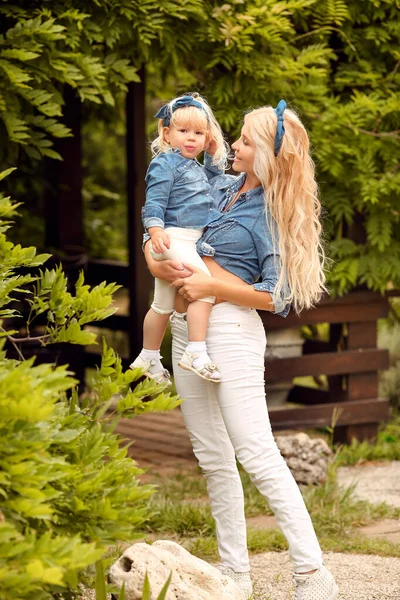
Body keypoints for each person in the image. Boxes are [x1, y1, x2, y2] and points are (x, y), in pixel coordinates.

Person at [143, 99, 339, 600]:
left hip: (228, 333)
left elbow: (278, 297)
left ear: (268, 157)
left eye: (246, 141)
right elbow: (168, 226)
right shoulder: (220, 187)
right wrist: (156, 259)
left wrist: (213, 287)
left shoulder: (270, 213)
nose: (233, 144)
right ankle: (236, 574)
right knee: (212, 457)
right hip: (188, 332)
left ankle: (313, 573)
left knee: (256, 452)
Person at [131, 94, 228, 385]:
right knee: (204, 288)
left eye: (198, 133)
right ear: (166, 134)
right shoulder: (165, 164)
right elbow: (155, 200)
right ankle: (195, 351)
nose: (191, 138)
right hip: (173, 239)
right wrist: (155, 230)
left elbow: (213, 183)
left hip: (180, 241)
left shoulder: (194, 166)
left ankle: (148, 356)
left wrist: (211, 156)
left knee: (162, 305)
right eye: (183, 131)